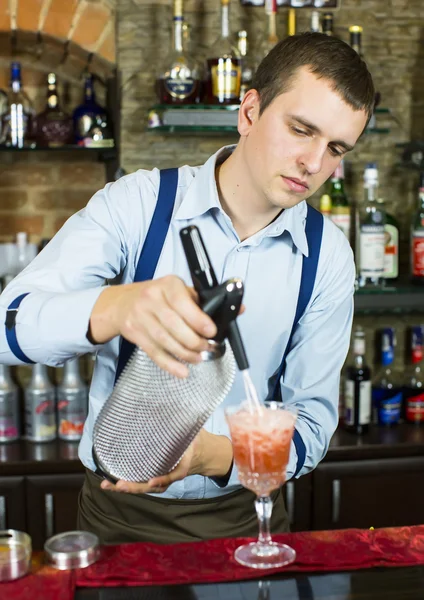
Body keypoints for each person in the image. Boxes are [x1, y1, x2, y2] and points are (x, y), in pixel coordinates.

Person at [0, 32, 374, 544]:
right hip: (120, 518)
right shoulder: (138, 205)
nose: (314, 164)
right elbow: (8, 323)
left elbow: (311, 429)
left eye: (335, 148)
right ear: (249, 113)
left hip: (251, 520)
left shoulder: (327, 254)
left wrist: (209, 456)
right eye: (300, 129)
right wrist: (113, 308)